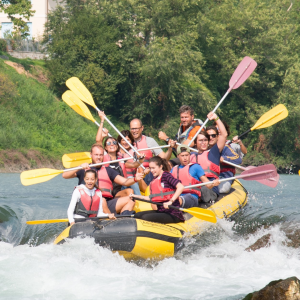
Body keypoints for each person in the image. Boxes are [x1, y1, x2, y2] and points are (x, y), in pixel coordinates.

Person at [62, 144, 143, 215]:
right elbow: (65, 175)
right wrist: (79, 167)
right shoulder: (83, 169)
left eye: (101, 155)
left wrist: (135, 179)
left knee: (131, 199)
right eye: (96, 155)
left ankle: (124, 217)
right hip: (90, 204)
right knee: (102, 200)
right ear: (91, 155)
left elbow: (125, 181)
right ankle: (111, 220)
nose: (98, 157)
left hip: (107, 203)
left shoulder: (108, 170)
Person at [131, 156, 185, 224]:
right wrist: (135, 196)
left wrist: (170, 201)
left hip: (173, 213)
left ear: (160, 167)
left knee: (145, 218)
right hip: (161, 211)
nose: (151, 170)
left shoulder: (166, 175)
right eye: (150, 168)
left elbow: (181, 187)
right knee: (137, 215)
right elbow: (152, 198)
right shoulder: (154, 180)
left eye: (153, 168)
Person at [190, 112, 227, 202]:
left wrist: (216, 118)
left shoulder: (213, 152)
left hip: (210, 187)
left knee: (203, 189)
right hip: (194, 186)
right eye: (201, 140)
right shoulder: (190, 155)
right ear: (195, 143)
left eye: (205, 140)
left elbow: (224, 134)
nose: (204, 142)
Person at [130, 117, 175, 184]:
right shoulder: (126, 143)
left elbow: (164, 158)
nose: (134, 131)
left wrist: (170, 149)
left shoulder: (149, 141)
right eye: (132, 129)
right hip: (131, 176)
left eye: (136, 128)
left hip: (147, 175)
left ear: (142, 128)